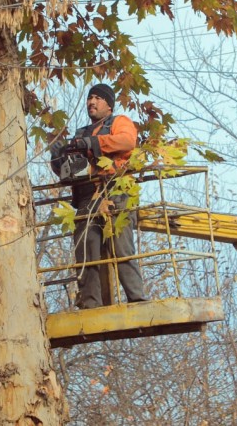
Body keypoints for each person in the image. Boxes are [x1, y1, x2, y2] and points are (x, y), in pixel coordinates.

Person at [49, 83, 148, 309]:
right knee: (86, 250)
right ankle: (91, 303)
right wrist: (58, 159)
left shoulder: (119, 122)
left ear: (109, 104)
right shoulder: (80, 133)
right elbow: (70, 171)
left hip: (115, 192)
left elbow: (126, 141)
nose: (91, 102)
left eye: (97, 98)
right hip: (87, 198)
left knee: (121, 247)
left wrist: (95, 143)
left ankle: (137, 299)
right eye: (89, 98)